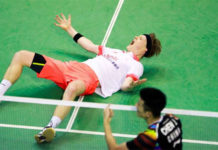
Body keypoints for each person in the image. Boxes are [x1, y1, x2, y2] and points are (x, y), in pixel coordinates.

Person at [0, 13, 162, 143]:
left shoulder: (136, 65)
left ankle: (49, 128)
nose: (135, 37)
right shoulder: (115, 52)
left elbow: (125, 84)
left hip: (89, 79)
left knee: (72, 88)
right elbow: (89, 46)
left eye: (140, 38)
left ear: (145, 49)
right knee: (21, 56)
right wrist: (70, 29)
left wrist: (131, 85)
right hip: (71, 68)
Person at [104, 87, 183, 150]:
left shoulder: (148, 138)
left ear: (148, 114)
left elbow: (114, 148)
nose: (135, 105)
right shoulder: (173, 118)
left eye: (139, 104)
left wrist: (106, 122)